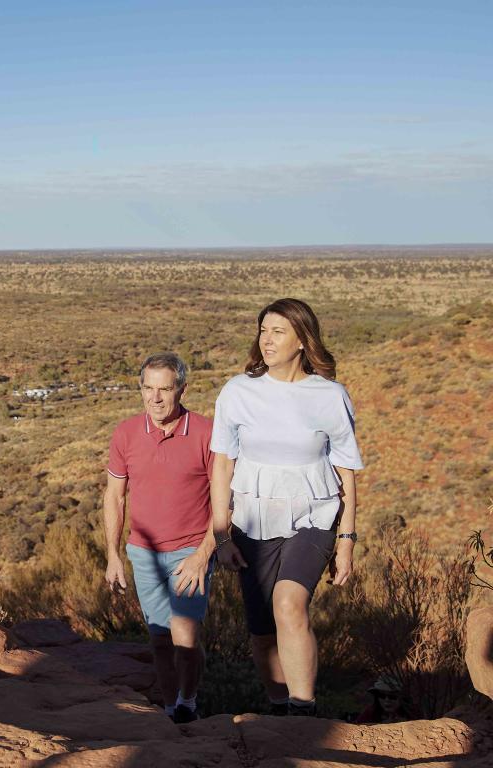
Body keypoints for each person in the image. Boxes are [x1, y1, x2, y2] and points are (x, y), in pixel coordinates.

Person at [210, 298, 363, 718]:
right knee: (261, 634)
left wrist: (347, 541)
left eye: (278, 331)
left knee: (288, 604)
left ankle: (303, 710)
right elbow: (222, 466)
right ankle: (278, 710)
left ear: (302, 340)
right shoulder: (238, 391)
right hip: (251, 521)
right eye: (263, 330)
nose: (267, 339)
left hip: (313, 516)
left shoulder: (331, 396)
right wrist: (221, 535)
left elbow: (346, 471)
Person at [103, 352, 216, 723]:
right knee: (159, 639)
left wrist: (204, 555)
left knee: (185, 636)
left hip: (190, 551)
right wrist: (113, 555)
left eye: (164, 389)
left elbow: (224, 500)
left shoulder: (206, 432)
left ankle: (189, 701)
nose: (155, 397)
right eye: (148, 388)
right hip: (144, 553)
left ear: (181, 389)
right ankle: (172, 710)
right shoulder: (126, 433)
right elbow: (114, 496)